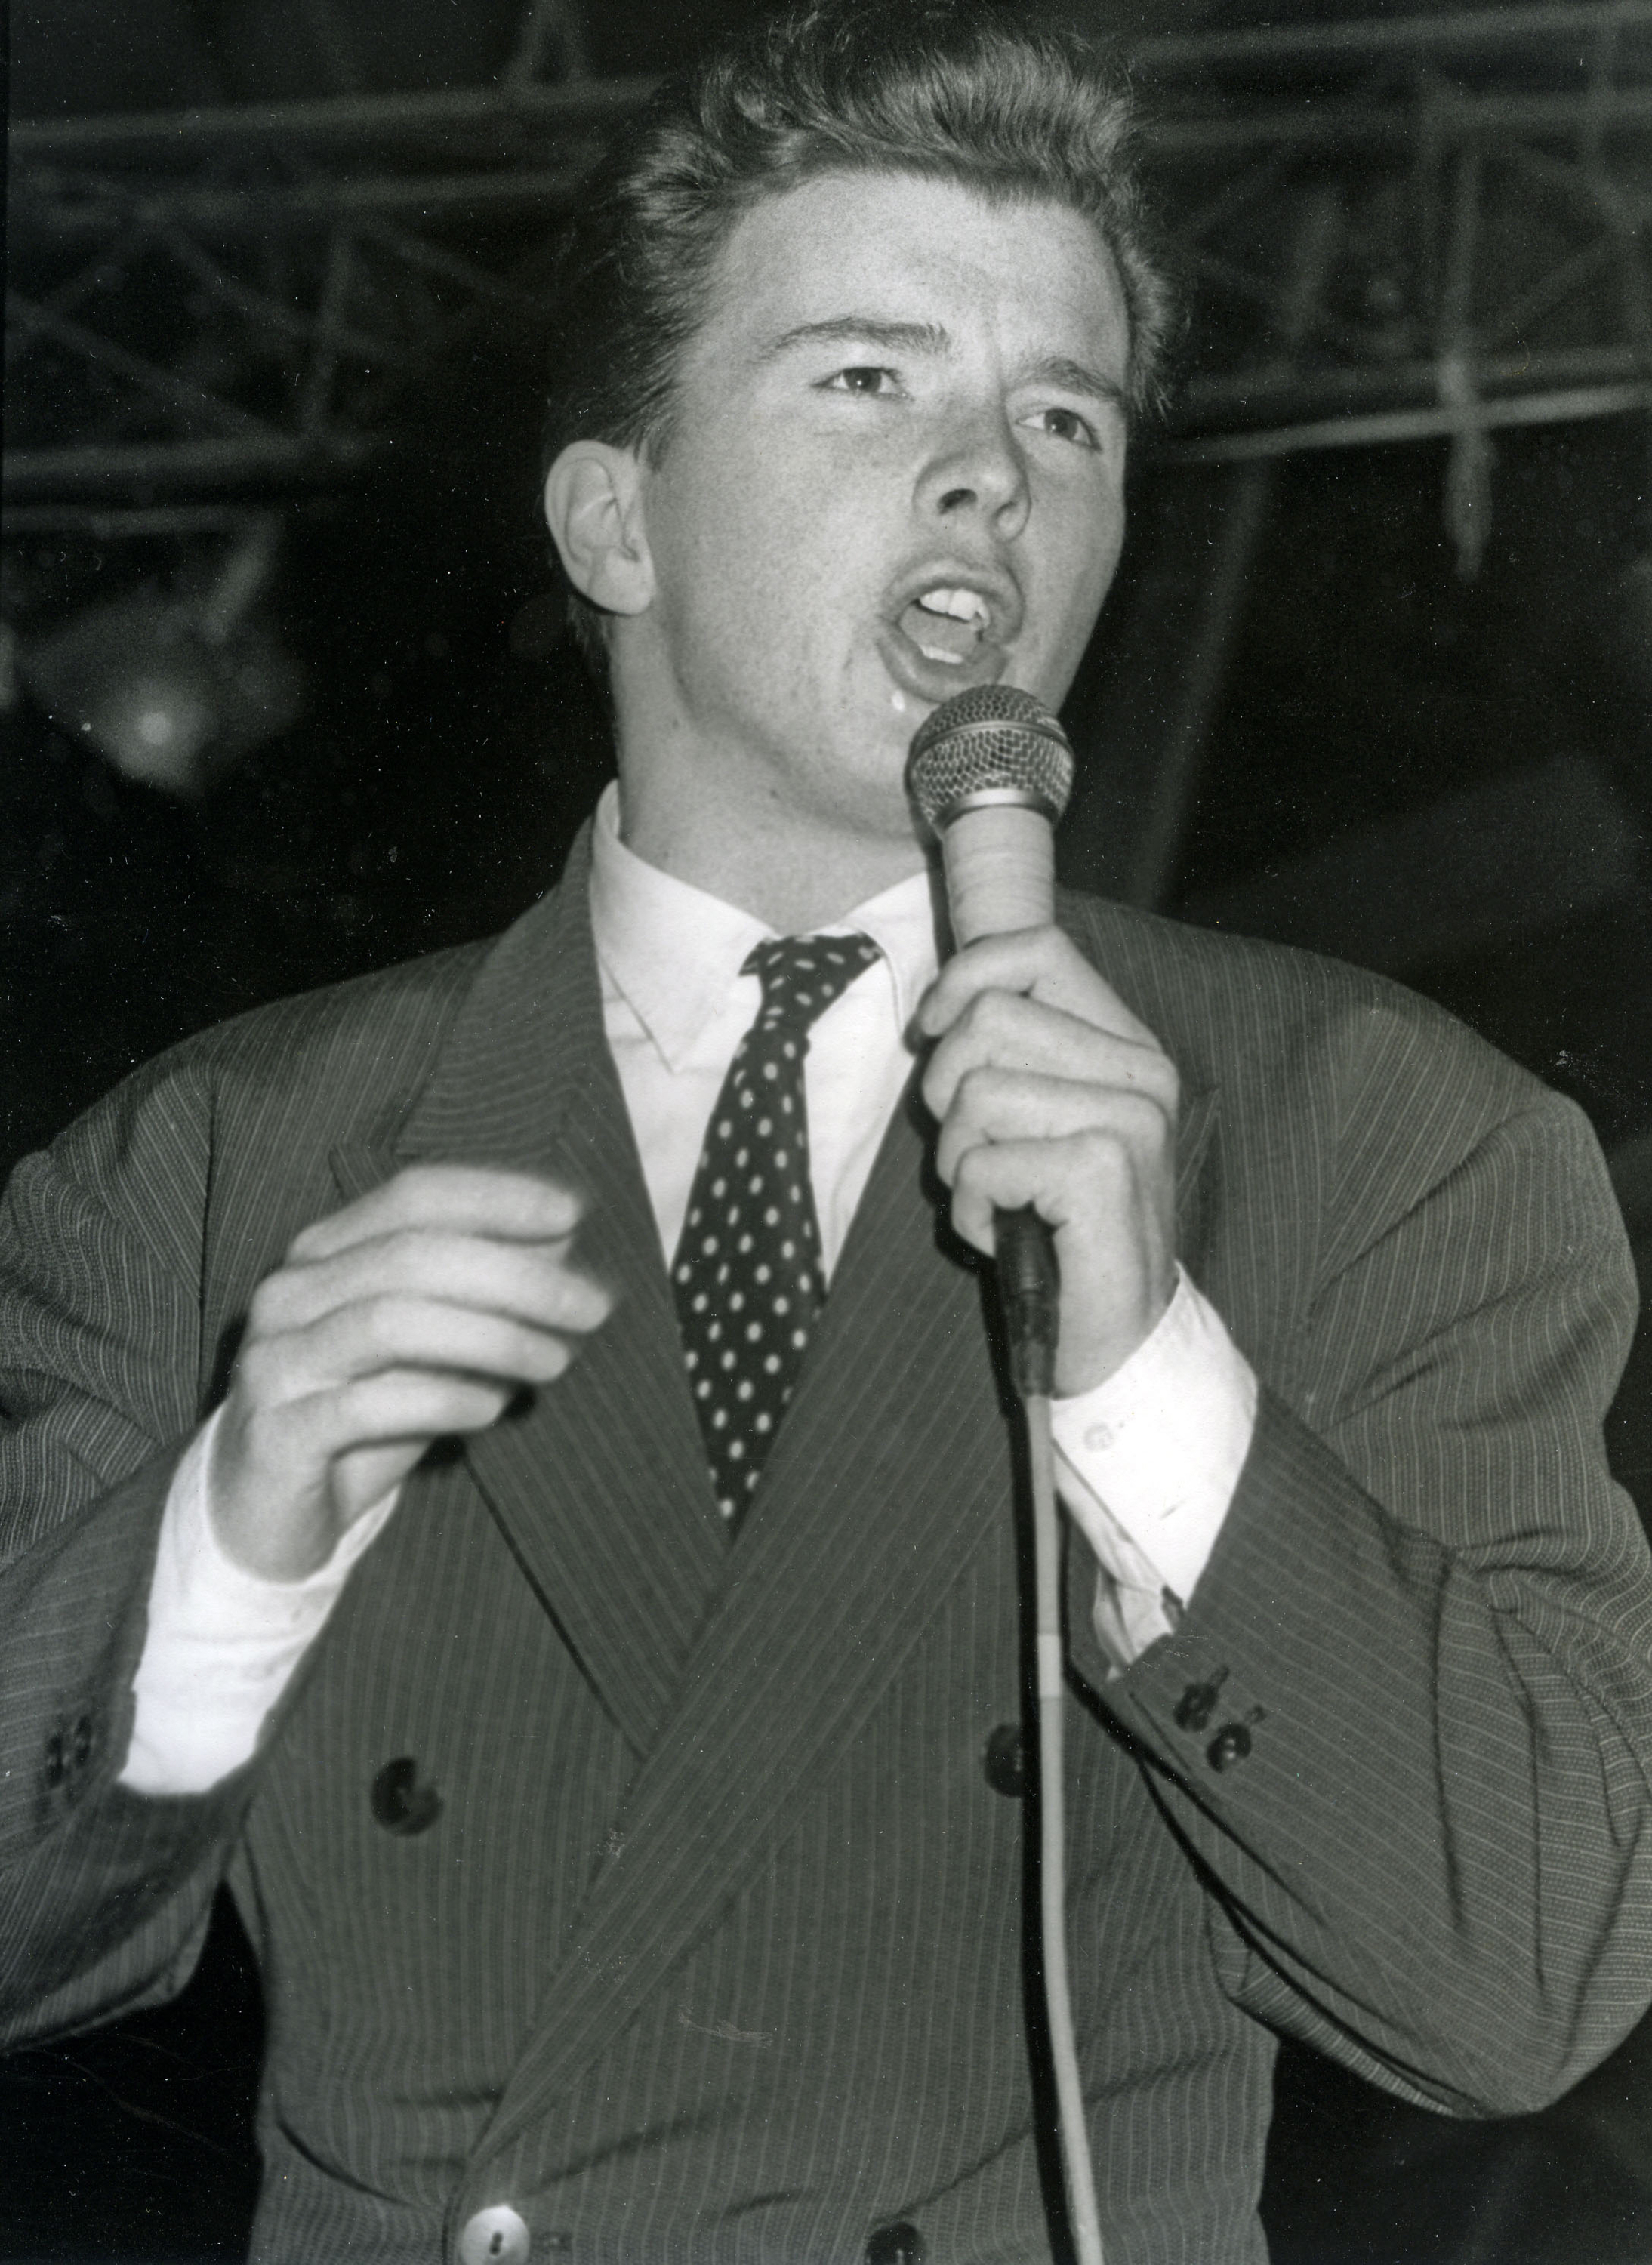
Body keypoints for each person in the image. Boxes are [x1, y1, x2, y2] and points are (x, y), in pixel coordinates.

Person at [4, 6, 1651, 2260]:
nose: (993, 472)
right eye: (869, 380)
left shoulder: (1388, 1143)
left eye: (1059, 415)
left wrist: (1147, 1377)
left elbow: (1526, 1980)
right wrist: (229, 1533)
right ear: (617, 514)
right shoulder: (206, 1165)